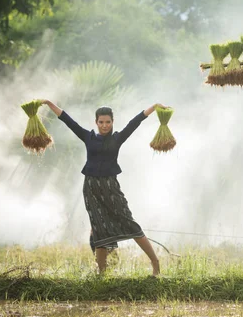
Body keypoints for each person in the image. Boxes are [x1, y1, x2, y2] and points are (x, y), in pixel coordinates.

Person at [42, 99, 165, 275]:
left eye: (108, 122)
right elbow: (67, 120)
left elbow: (135, 122)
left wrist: (154, 107)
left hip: (111, 187)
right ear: (96, 122)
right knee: (99, 230)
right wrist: (48, 103)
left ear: (112, 122)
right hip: (91, 188)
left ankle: (155, 263)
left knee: (130, 224)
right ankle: (101, 273)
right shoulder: (88, 137)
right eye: (101, 122)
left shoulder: (118, 138)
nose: (105, 125)